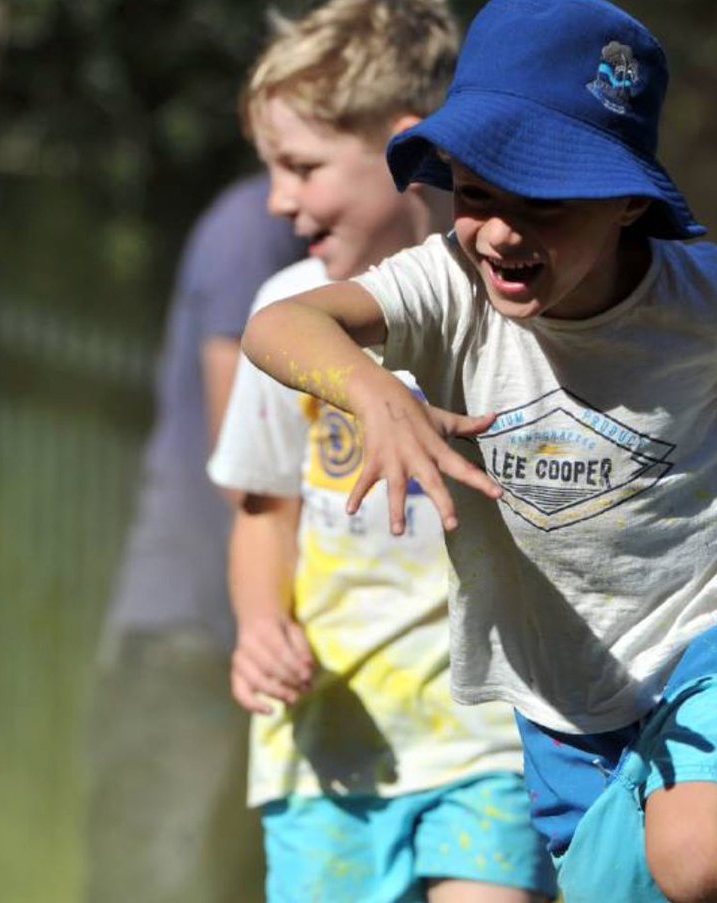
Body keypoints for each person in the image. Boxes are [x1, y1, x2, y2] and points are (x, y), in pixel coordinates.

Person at [237, 1, 717, 900]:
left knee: (698, 859)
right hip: (564, 697)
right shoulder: (445, 291)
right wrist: (372, 390)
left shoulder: (707, 297)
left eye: (545, 202)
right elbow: (281, 325)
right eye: (479, 194)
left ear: (626, 203)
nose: (500, 231)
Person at [206, 2, 556, 901]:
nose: (280, 199)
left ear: (405, 150)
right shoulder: (284, 321)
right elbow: (262, 510)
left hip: (492, 737)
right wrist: (257, 624)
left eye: (303, 167)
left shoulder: (508, 299)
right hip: (332, 754)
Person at [87, 172, 305, 903]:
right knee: (153, 883)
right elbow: (239, 457)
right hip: (190, 638)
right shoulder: (255, 229)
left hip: (256, 647)